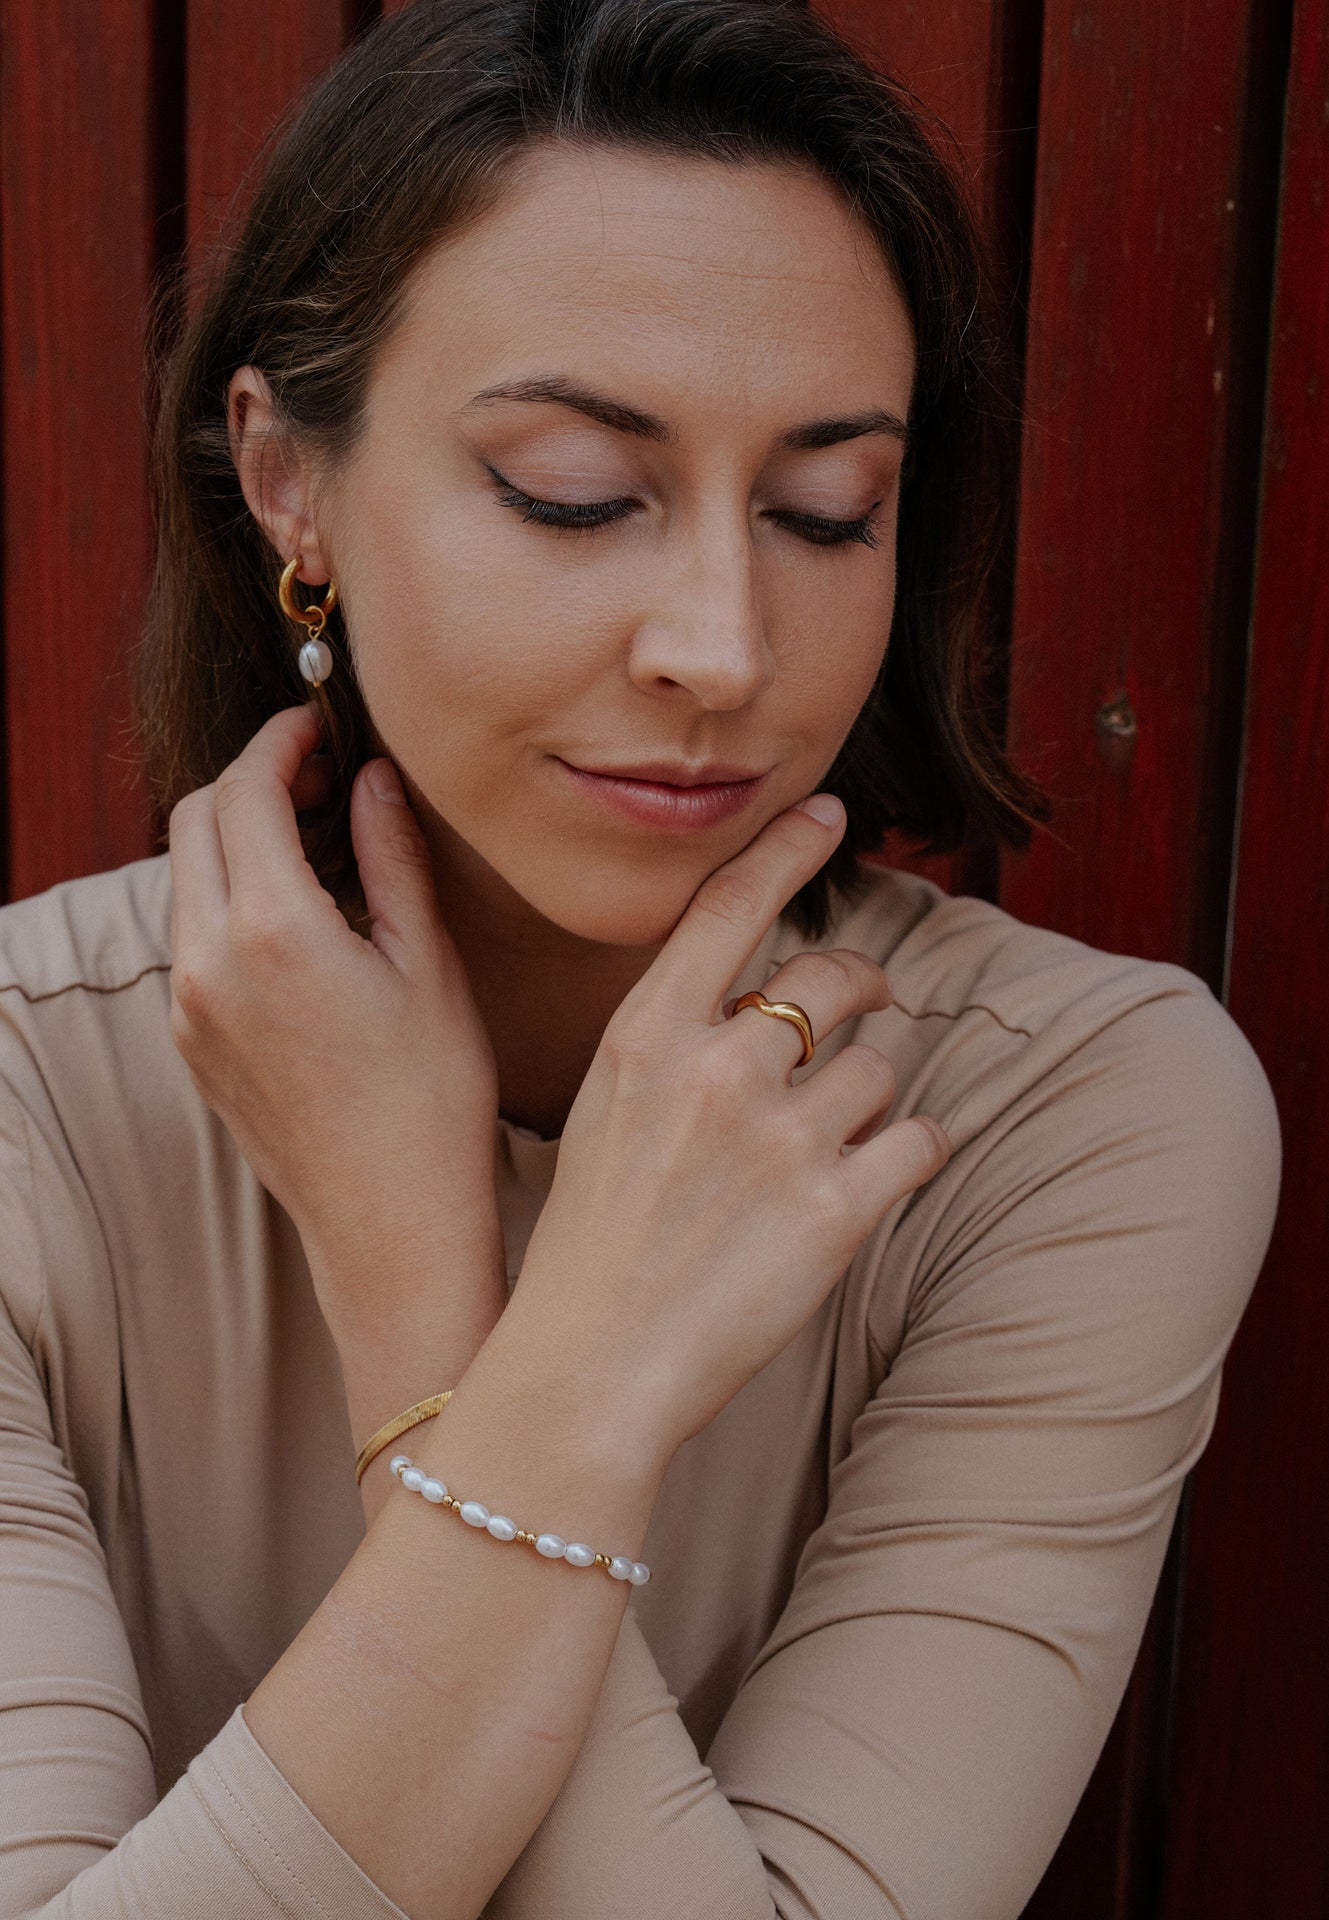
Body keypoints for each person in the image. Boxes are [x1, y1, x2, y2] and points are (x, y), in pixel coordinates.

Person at [0, 2, 1281, 1916]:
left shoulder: (1076, 1122)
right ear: (287, 480)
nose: (723, 647)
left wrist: (436, 1309)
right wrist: (541, 1355)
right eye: (574, 493)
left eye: (820, 509)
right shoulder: (28, 1086)